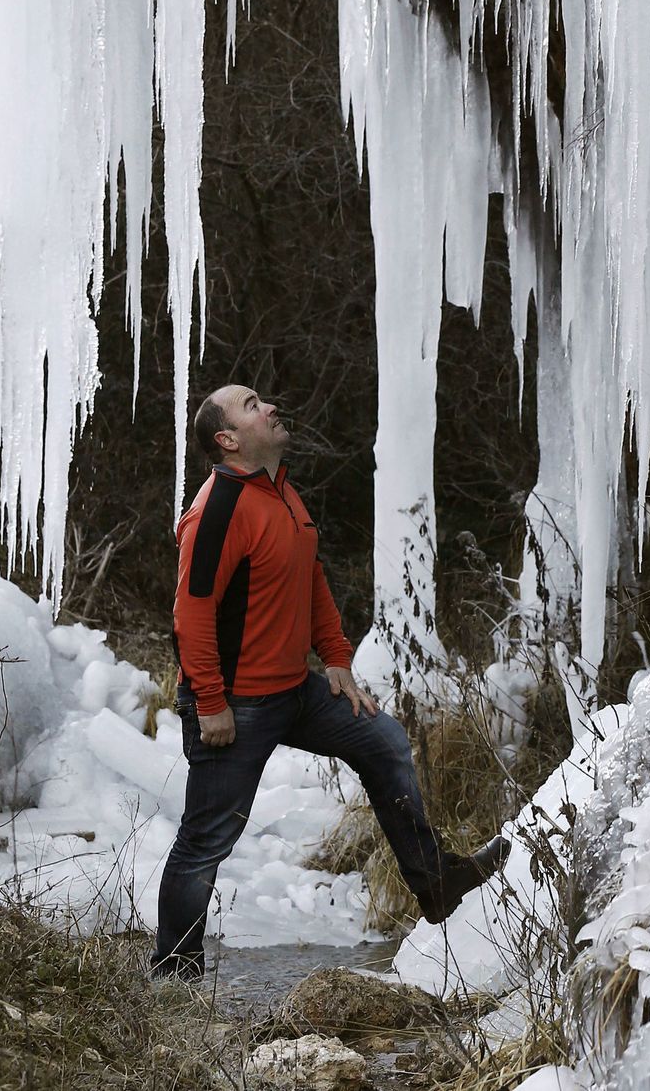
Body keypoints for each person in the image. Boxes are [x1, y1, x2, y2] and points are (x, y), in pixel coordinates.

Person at [152, 382, 508, 981]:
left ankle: (436, 882)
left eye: (264, 397)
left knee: (385, 741)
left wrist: (337, 658)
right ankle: (173, 975)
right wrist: (210, 702)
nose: (269, 405)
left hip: (296, 691)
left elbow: (307, 579)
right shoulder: (217, 509)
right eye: (251, 405)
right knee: (207, 839)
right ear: (229, 439)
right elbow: (192, 612)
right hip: (235, 704)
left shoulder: (283, 493)